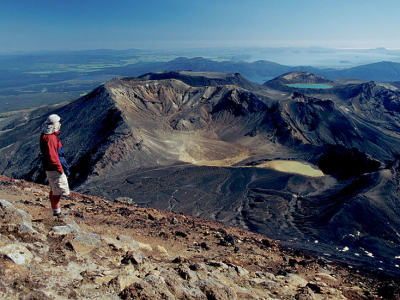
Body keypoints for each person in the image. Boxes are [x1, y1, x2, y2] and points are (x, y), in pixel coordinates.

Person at [40, 114, 70, 217]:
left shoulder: (44, 135)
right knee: (58, 190)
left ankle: (56, 211)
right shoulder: (51, 138)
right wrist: (60, 170)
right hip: (54, 168)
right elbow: (53, 157)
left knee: (54, 189)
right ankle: (58, 213)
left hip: (49, 167)